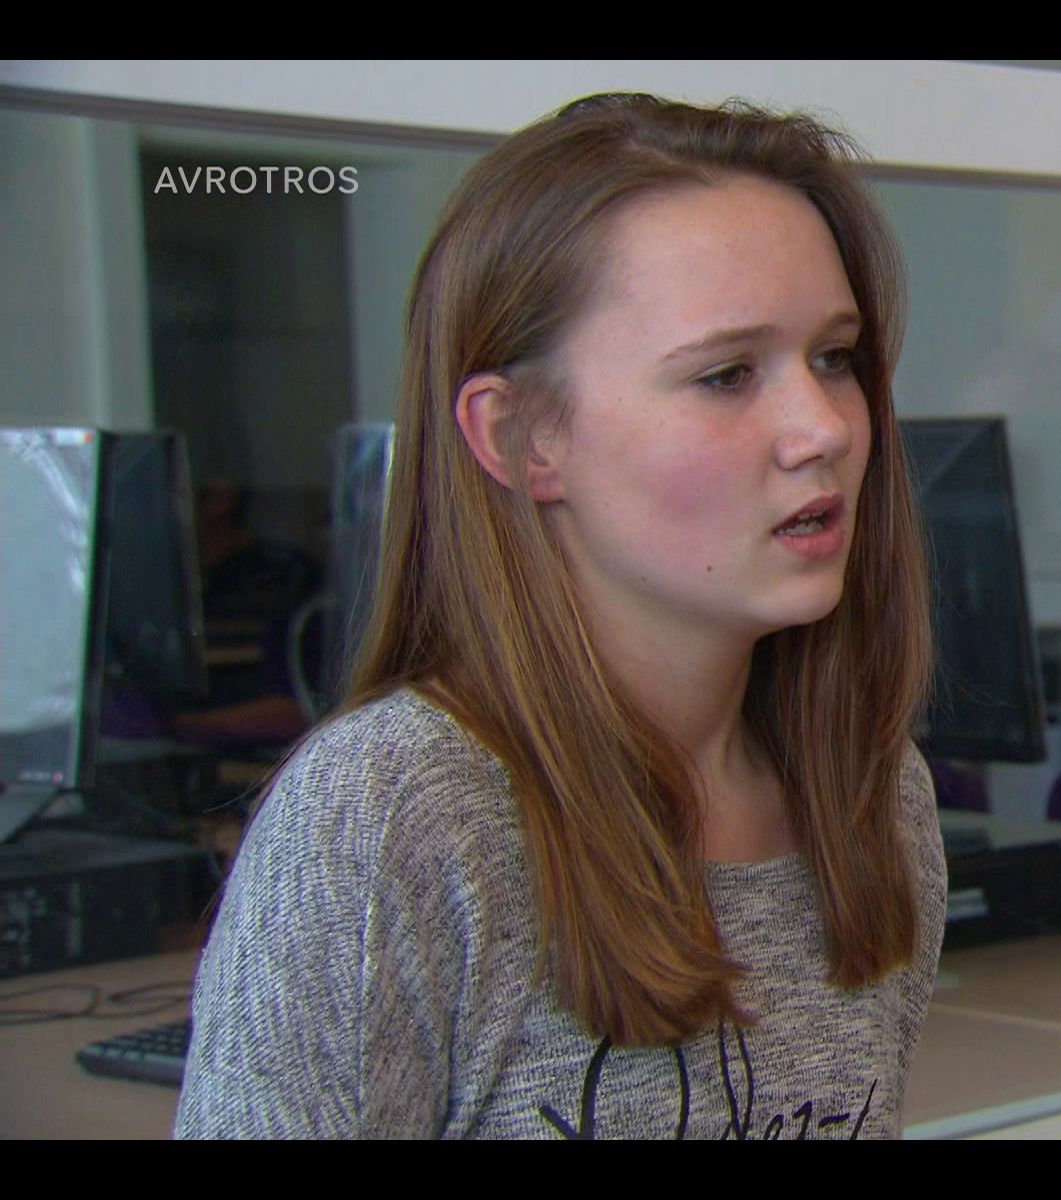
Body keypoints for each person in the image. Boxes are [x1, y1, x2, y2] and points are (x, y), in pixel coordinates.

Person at [175, 93, 944, 1139]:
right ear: (524, 437)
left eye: (835, 358)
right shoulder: (389, 814)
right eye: (727, 374)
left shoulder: (872, 792)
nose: (824, 428)